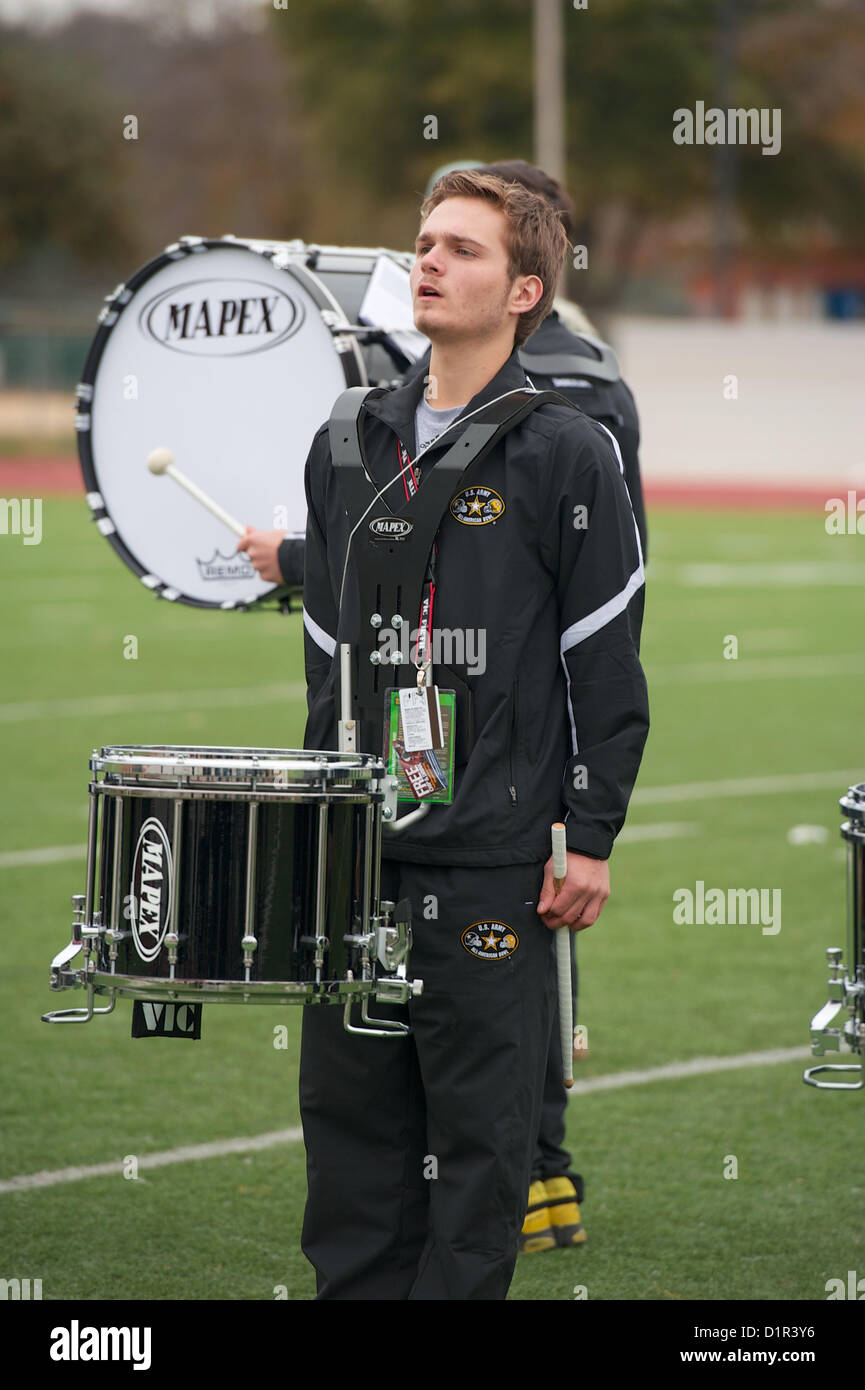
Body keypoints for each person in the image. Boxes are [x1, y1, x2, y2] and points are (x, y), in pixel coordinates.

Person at [295, 169, 649, 1300]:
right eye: (422, 242)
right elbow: (326, 649)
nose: (427, 261)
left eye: (461, 248)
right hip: (354, 854)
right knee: (352, 1142)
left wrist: (588, 835)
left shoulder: (566, 451)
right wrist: (318, 813)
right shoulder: (348, 436)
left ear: (525, 288)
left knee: (480, 1152)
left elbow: (604, 659)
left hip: (492, 861)